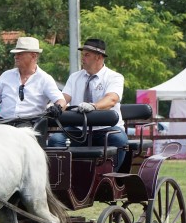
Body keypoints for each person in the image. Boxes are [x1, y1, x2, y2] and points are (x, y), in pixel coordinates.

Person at [47, 38, 128, 170]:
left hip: (106, 130)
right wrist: (55, 107)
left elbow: (111, 99)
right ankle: (64, 179)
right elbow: (64, 98)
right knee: (56, 140)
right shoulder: (75, 77)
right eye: (82, 54)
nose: (82, 58)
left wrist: (94, 106)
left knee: (119, 140)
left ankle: (110, 177)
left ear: (98, 57)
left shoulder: (114, 77)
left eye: (87, 55)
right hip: (78, 130)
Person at [0, 37, 66, 120]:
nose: (15, 57)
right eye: (15, 54)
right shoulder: (6, 75)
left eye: (20, 54)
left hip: (30, 126)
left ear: (33, 56)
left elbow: (61, 102)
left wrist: (57, 108)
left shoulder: (45, 79)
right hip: (3, 122)